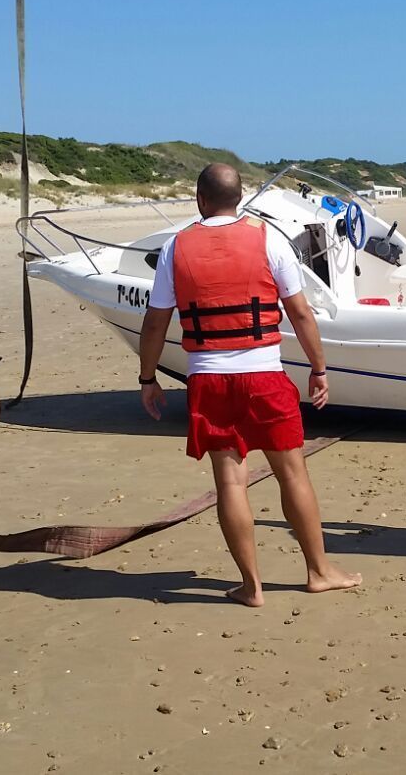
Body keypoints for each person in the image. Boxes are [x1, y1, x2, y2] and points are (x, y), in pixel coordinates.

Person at [137, 163, 361, 607]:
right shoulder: (268, 239)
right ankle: (319, 572)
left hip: (209, 380)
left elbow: (156, 321)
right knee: (292, 473)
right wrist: (319, 369)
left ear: (200, 199)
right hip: (264, 376)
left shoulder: (175, 247)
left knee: (231, 484)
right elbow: (300, 312)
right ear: (239, 198)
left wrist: (148, 378)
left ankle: (251, 586)